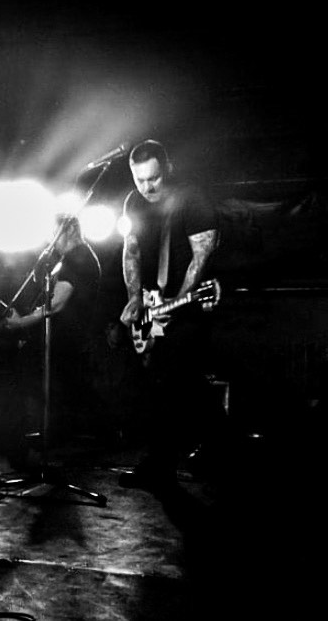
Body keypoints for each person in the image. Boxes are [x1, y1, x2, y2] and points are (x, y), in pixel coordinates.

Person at [116, 139, 220, 496]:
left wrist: (176, 304)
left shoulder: (192, 200)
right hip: (152, 305)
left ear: (168, 168)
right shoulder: (133, 203)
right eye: (140, 180)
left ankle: (165, 464)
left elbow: (200, 257)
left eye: (154, 178)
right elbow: (130, 251)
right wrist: (134, 298)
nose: (147, 187)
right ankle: (197, 452)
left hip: (188, 307)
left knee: (173, 381)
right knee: (165, 386)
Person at [0, 215, 103, 466]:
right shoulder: (71, 259)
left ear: (69, 229)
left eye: (53, 232)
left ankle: (25, 446)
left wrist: (21, 323)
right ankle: (28, 445)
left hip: (62, 341)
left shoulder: (78, 257)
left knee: (26, 382)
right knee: (35, 387)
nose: (49, 239)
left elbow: (56, 304)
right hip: (61, 340)